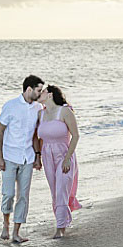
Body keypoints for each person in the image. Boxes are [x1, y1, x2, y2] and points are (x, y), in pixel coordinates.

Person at [0, 75, 45, 243]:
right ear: (29, 89)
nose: (40, 94)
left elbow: (35, 135)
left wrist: (38, 157)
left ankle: (17, 232)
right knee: (8, 194)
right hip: (10, 156)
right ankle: (5, 224)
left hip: (28, 157)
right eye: (38, 90)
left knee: (23, 196)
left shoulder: (38, 108)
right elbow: (0, 132)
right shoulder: (10, 106)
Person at [36, 85, 81, 238]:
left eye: (42, 91)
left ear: (50, 94)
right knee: (56, 192)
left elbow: (75, 136)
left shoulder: (65, 111)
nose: (39, 93)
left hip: (64, 155)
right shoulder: (40, 114)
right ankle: (63, 220)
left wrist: (68, 158)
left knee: (62, 189)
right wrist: (37, 158)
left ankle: (60, 227)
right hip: (47, 156)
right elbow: (37, 138)